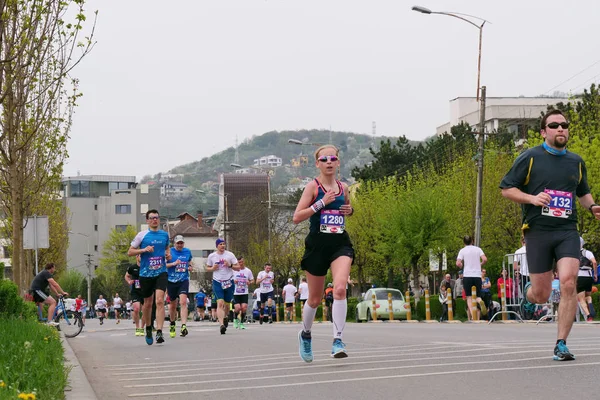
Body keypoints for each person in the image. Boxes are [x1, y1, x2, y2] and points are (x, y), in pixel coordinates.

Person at [500, 109, 600, 361]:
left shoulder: (576, 162)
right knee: (542, 294)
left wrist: (592, 206)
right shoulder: (530, 157)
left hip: (567, 230)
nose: (560, 129)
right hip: (538, 232)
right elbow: (507, 189)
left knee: (568, 282)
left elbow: (583, 192)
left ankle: (561, 343)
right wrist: (532, 198)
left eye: (564, 125)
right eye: (554, 125)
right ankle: (528, 296)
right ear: (544, 132)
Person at [293, 144, 355, 362]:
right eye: (324, 159)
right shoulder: (313, 187)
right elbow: (297, 216)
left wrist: (350, 210)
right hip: (317, 245)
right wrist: (321, 203)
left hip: (339, 244)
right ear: (317, 163)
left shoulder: (344, 188)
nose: (329, 162)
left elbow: (345, 208)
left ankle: (338, 340)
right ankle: (306, 334)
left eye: (333, 158)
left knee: (339, 289)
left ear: (338, 162)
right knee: (315, 299)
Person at [127, 209, 171, 345]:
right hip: (146, 273)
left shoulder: (164, 235)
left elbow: (167, 248)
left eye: (157, 218)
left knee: (159, 301)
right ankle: (147, 328)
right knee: (147, 303)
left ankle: (159, 331)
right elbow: (130, 252)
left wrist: (168, 255)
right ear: (147, 220)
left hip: (161, 272)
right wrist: (144, 250)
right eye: (152, 218)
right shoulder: (142, 235)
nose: (155, 220)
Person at [205, 238, 240, 335]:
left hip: (229, 281)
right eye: (220, 244)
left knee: (227, 305)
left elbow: (238, 268)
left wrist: (230, 265)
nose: (222, 246)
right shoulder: (212, 256)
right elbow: (207, 268)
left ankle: (225, 317)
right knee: (220, 303)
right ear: (217, 246)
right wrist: (213, 268)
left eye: (224, 244)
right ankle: (221, 325)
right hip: (217, 282)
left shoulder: (230, 255)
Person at [166, 235, 194, 338]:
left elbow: (189, 261)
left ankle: (183, 326)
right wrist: (173, 263)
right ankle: (172, 323)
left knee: (183, 302)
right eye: (178, 243)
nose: (180, 245)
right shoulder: (170, 252)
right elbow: (164, 265)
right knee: (173, 305)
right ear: (174, 243)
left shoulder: (187, 252)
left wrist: (190, 266)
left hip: (183, 279)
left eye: (181, 243)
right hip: (171, 280)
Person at [456, 235, 488, 320]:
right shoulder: (478, 249)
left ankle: (473, 316)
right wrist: (480, 264)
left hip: (467, 275)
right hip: (477, 275)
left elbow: (458, 263)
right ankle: (480, 301)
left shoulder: (462, 251)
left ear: (464, 242)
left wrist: (461, 265)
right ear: (472, 241)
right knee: (477, 295)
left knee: (469, 297)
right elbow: (485, 259)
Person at [577, 237, 597, 322]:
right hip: (588, 276)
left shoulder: (573, 254)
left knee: (581, 299)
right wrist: (595, 274)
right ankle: (590, 302)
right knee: (588, 296)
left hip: (579, 276)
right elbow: (594, 262)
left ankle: (589, 316)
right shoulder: (588, 252)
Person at [125, 254, 145, 336]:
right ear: (137, 257)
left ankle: (142, 328)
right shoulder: (132, 268)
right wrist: (129, 281)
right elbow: (126, 276)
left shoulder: (146, 266)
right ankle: (137, 327)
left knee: (145, 311)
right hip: (135, 291)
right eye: (140, 256)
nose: (141, 257)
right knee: (136, 309)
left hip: (145, 291)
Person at [232, 256, 254, 329]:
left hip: (244, 292)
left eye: (241, 262)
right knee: (237, 308)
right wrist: (233, 281)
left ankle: (241, 323)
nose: (240, 264)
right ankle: (235, 320)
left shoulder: (248, 271)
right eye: (238, 262)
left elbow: (252, 280)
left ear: (243, 262)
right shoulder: (233, 270)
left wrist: (249, 282)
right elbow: (228, 279)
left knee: (244, 308)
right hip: (236, 292)